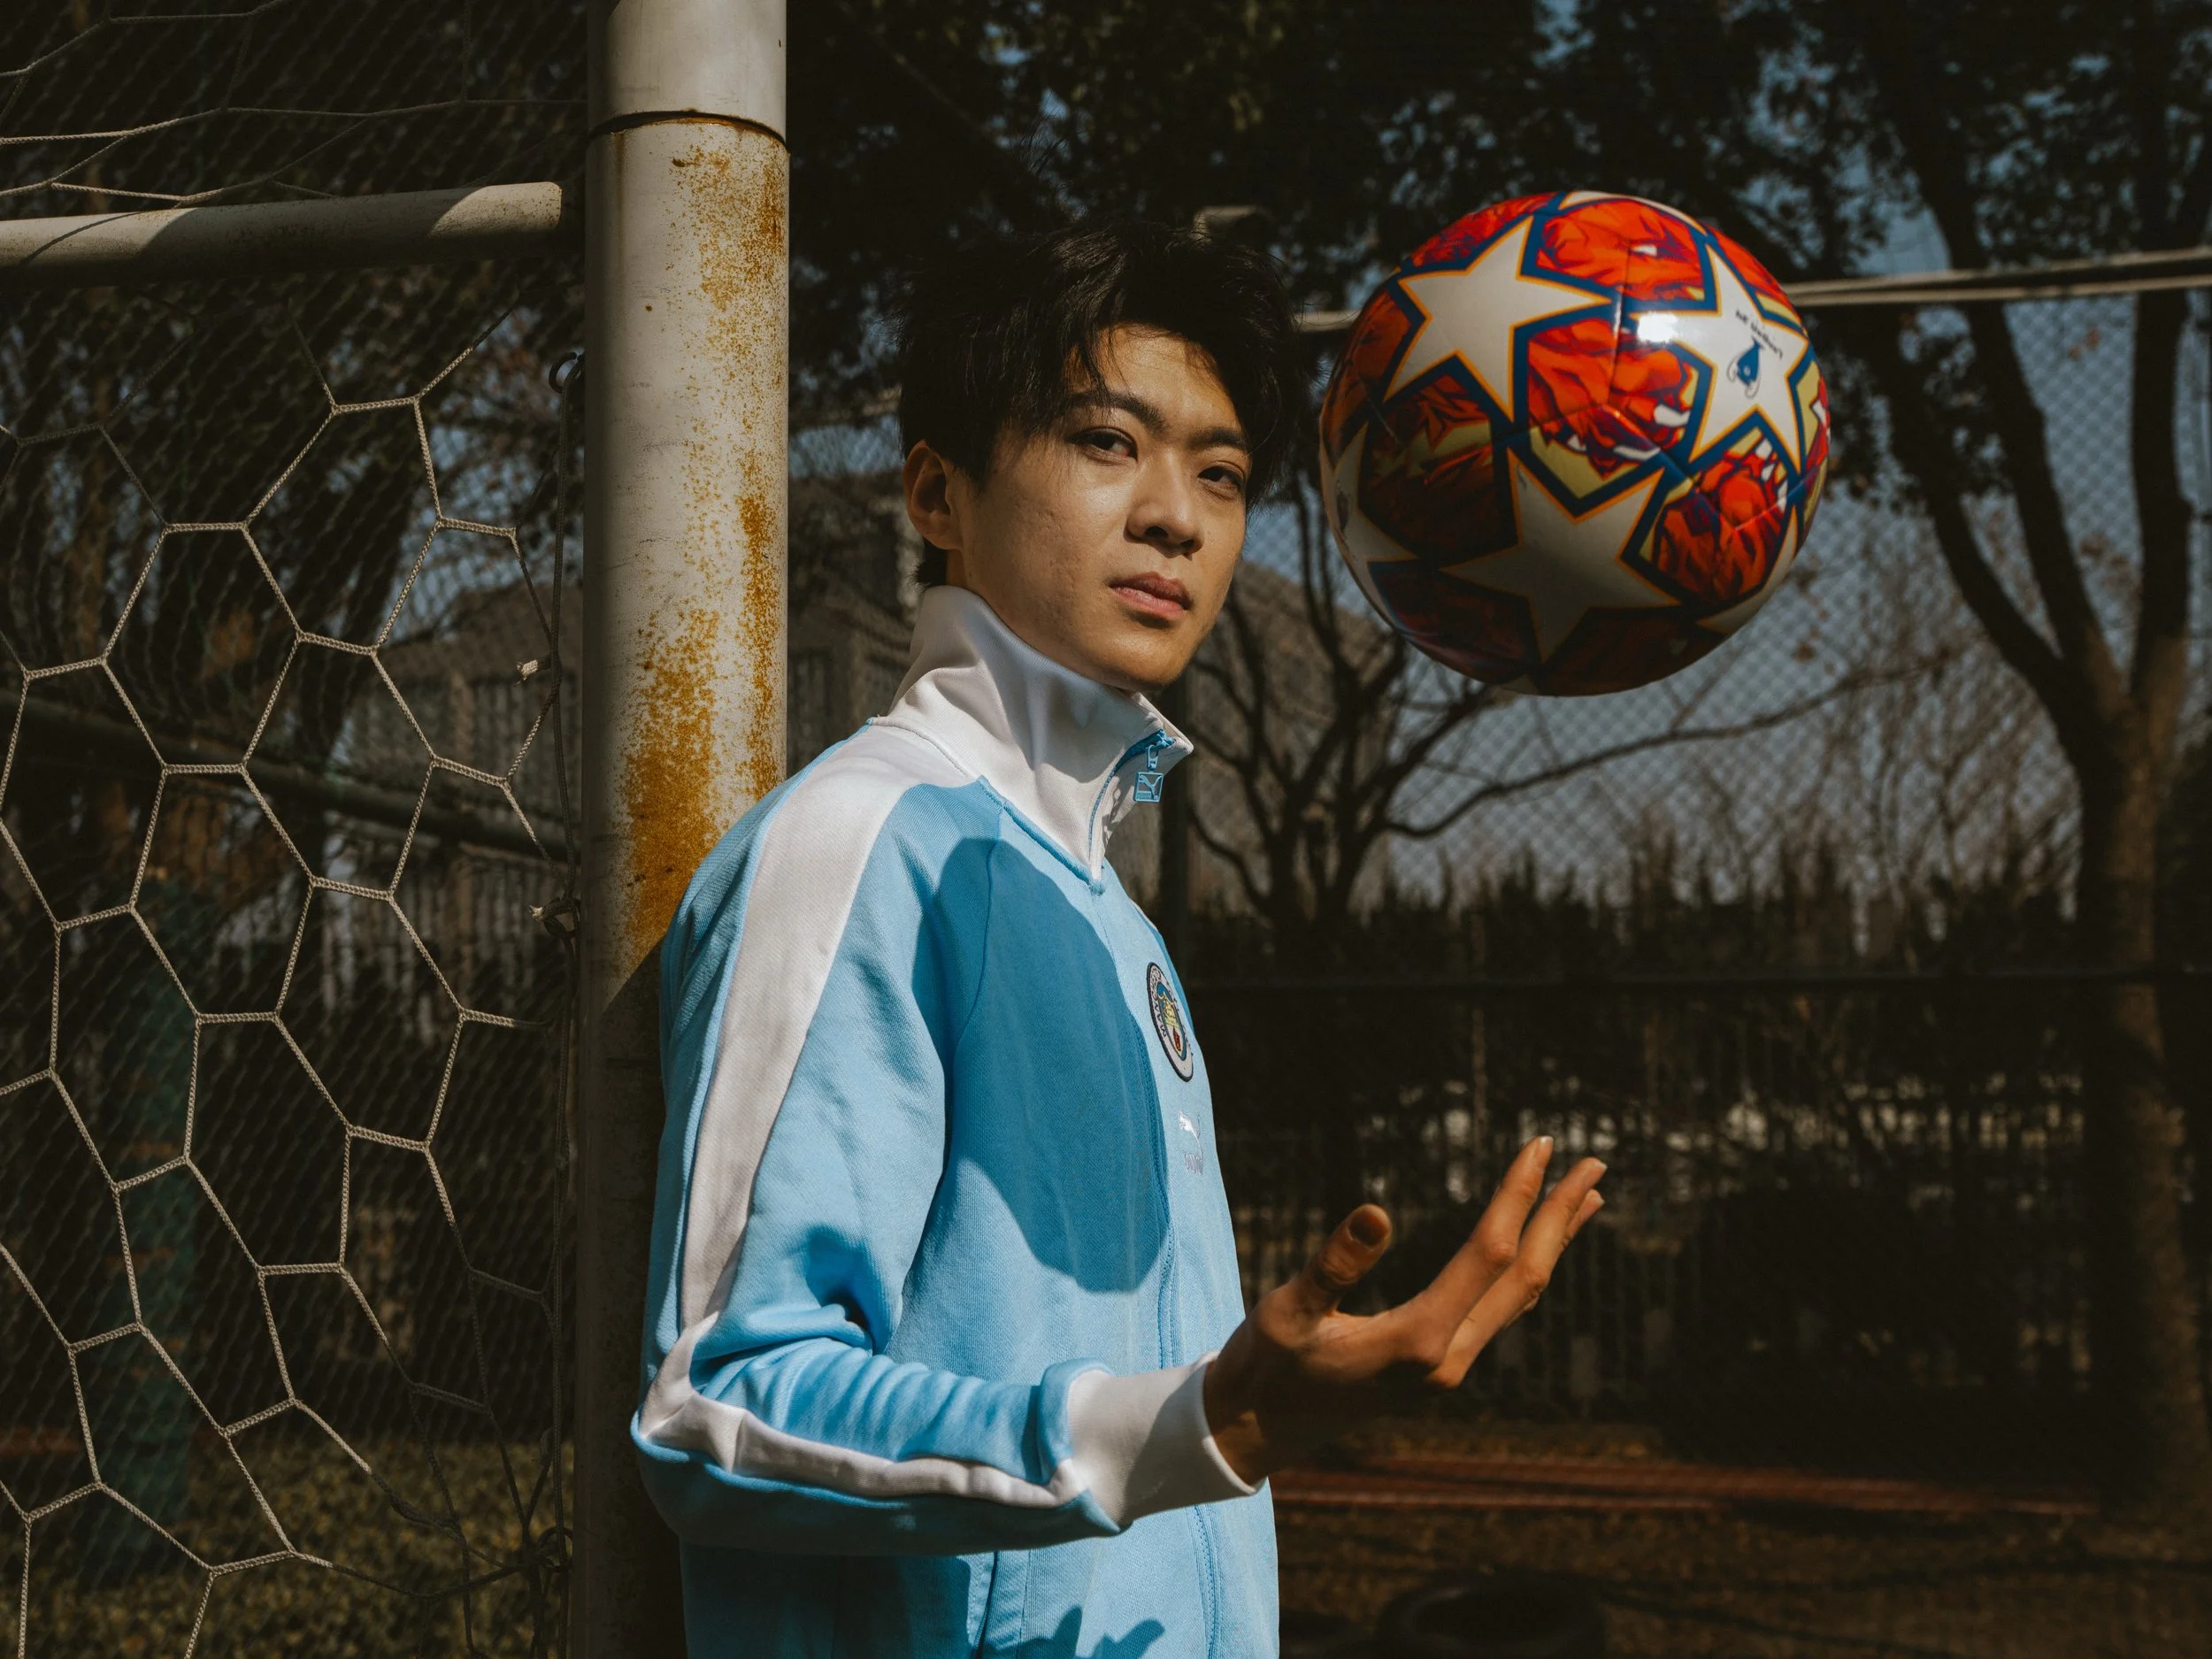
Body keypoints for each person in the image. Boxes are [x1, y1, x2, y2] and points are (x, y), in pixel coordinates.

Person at [633, 220, 1609, 1658]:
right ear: (935, 493)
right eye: (1108, 442)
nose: (1179, 515)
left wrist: (1222, 1413)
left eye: (1221, 473)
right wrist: (1184, 1423)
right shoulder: (856, 844)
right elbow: (720, 1404)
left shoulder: (1114, 920)